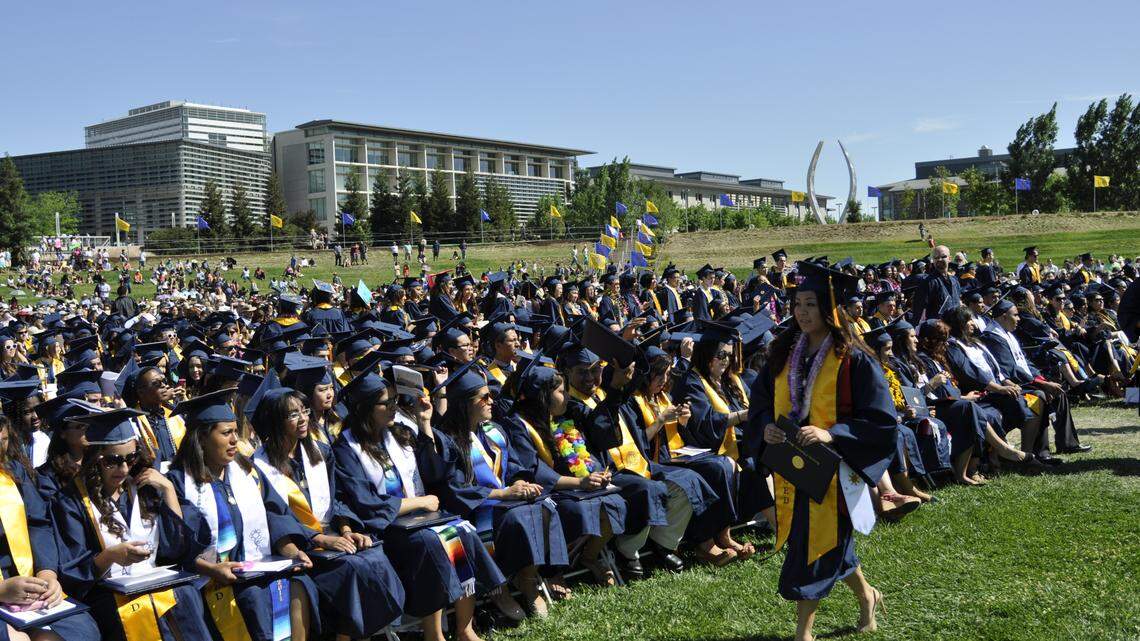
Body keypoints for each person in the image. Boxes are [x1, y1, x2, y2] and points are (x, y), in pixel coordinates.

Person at [749, 260, 895, 641]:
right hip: (792, 464)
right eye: (797, 304)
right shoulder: (783, 351)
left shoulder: (852, 357)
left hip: (834, 469)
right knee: (827, 544)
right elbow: (761, 400)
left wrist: (832, 434)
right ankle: (867, 596)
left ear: (829, 307)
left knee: (813, 544)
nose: (802, 312)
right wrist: (765, 427)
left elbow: (880, 418)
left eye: (811, 304)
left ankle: (804, 634)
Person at [331, 372, 510, 641]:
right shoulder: (347, 448)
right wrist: (418, 502)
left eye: (395, 401)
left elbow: (435, 472)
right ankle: (433, 634)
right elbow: (363, 502)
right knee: (432, 543)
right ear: (364, 408)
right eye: (386, 403)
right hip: (386, 529)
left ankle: (465, 628)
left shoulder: (399, 433)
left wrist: (425, 423)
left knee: (463, 531)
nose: (394, 407)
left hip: (423, 519)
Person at [248, 384, 405, 640]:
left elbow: (337, 498)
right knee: (351, 567)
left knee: (374, 556)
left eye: (304, 410)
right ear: (275, 421)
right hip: (298, 546)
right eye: (293, 414)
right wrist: (320, 539)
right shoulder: (259, 467)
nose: (303, 419)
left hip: (331, 536)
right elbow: (274, 516)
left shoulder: (320, 452)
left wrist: (347, 530)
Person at [167, 390, 320, 641]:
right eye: (226, 433)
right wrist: (213, 569)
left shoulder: (247, 471)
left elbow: (274, 513)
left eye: (236, 432)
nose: (234, 441)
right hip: (212, 577)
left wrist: (291, 551)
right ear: (202, 437)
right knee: (255, 597)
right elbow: (180, 545)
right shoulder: (180, 483)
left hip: (256, 566)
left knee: (299, 581)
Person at [52, 407, 214, 641]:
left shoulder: (145, 488)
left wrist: (168, 489)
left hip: (154, 580)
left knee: (185, 593)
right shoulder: (71, 501)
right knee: (141, 607)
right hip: (107, 592)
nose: (124, 469)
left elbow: (176, 549)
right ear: (94, 458)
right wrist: (110, 556)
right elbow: (72, 571)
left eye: (130, 458)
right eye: (113, 461)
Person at [434, 366, 569, 615]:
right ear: (465, 404)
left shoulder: (494, 430)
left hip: (505, 500)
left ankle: (527, 579)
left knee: (545, 506)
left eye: (491, 395)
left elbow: (515, 466)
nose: (491, 401)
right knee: (519, 517)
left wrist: (519, 483)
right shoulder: (449, 440)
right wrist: (502, 494)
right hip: (475, 510)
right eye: (484, 397)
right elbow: (455, 489)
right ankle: (499, 588)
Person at [0, 414, 101, 641]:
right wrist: (1, 590)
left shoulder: (12, 472)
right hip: (6, 590)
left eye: (4, 440)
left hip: (26, 585)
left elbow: (38, 523)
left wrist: (47, 574)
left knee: (82, 631)